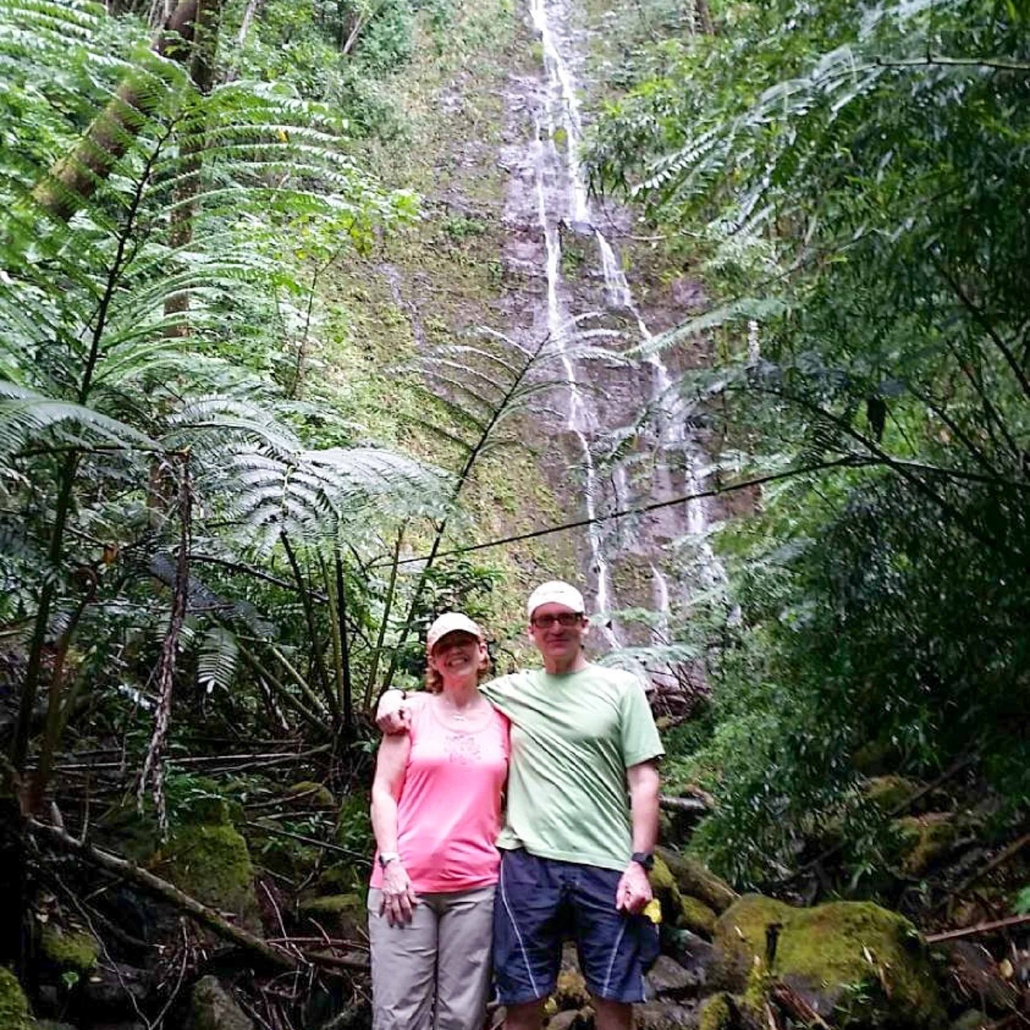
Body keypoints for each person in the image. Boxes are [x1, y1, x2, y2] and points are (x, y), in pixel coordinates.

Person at [378, 581, 664, 1030]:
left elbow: (645, 780)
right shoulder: (510, 694)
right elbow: (444, 699)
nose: (556, 627)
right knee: (523, 997)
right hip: (527, 865)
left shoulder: (620, 688)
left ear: (584, 625)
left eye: (566, 617)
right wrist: (390, 697)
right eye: (545, 620)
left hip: (605, 863)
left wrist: (639, 862)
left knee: (612, 997)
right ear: (531, 631)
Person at [368, 611, 510, 1030]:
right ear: (432, 660)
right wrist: (390, 863)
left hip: (477, 888)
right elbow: (382, 793)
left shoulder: (506, 718)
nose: (455, 652)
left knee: (462, 1017)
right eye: (444, 647)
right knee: (398, 1016)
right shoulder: (408, 713)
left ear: (482, 652)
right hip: (404, 885)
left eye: (464, 642)